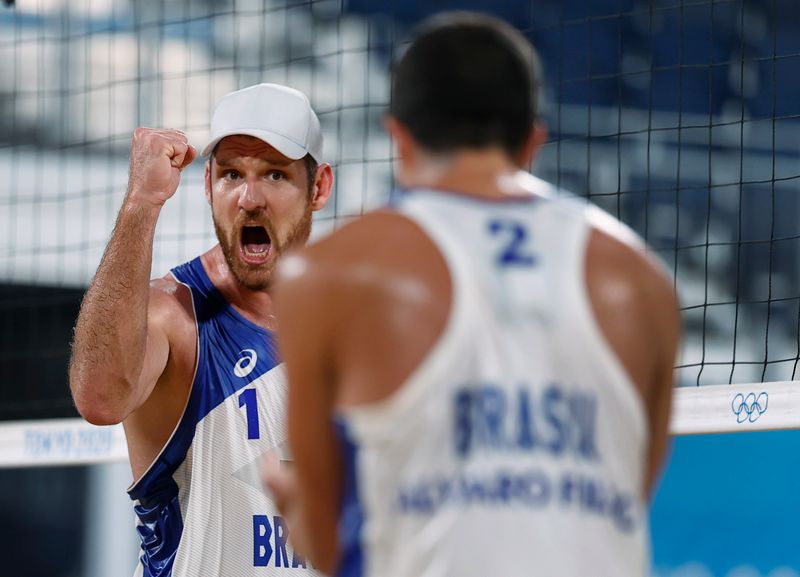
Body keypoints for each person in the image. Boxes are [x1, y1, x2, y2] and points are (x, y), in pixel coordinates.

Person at [266, 12, 680, 577]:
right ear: (533, 141)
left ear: (399, 138)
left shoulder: (327, 274)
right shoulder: (642, 281)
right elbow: (627, 499)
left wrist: (294, 511)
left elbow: (325, 542)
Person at [69, 83, 333, 576]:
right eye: (233, 174)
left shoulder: (350, 323)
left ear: (318, 188)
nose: (250, 198)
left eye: (275, 174)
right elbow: (98, 398)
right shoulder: (173, 314)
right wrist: (141, 205)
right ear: (208, 184)